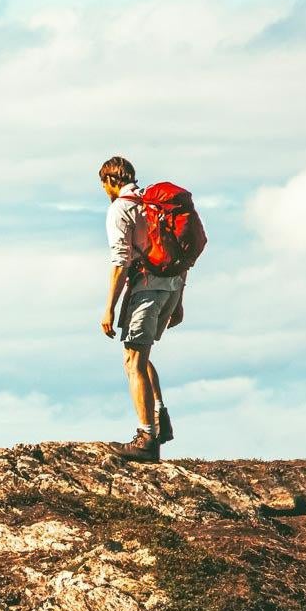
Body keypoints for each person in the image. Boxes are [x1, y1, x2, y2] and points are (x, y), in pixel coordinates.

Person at [99, 155, 183, 462]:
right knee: (140, 353)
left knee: (133, 359)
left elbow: (121, 262)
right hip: (170, 287)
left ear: (110, 181)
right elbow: (179, 252)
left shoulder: (120, 209)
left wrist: (108, 308)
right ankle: (159, 416)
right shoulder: (155, 205)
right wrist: (180, 299)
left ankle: (147, 438)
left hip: (146, 289)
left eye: (103, 185)